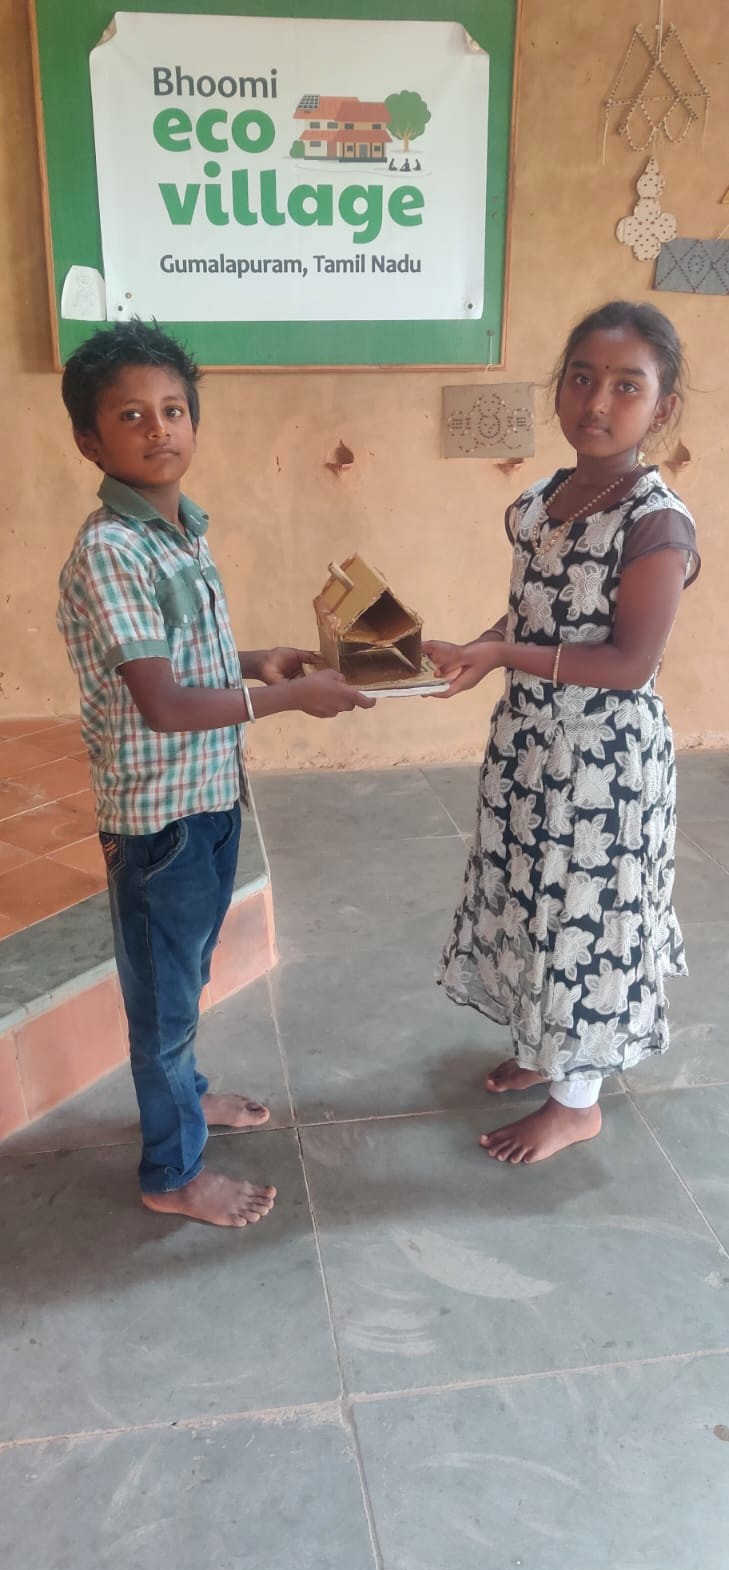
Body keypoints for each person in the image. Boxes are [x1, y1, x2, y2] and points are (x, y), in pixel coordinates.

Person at [58, 321, 374, 1225]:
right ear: (90, 441)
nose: (159, 428)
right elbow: (161, 703)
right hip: (159, 821)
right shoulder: (112, 550)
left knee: (183, 976)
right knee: (163, 1005)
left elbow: (180, 661)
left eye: (173, 410)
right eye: (130, 415)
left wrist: (258, 660)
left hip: (208, 797)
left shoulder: (178, 531)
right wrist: (291, 698)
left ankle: (186, 1096)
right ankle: (172, 1174)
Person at [426, 301, 700, 1165]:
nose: (597, 400)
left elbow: (627, 663)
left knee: (581, 917)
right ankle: (540, 1042)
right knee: (526, 900)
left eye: (626, 386)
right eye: (581, 377)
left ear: (660, 407)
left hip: (599, 766)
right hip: (528, 749)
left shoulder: (655, 520)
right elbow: (531, 616)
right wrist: (479, 649)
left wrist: (504, 653)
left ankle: (576, 1102)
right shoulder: (542, 499)